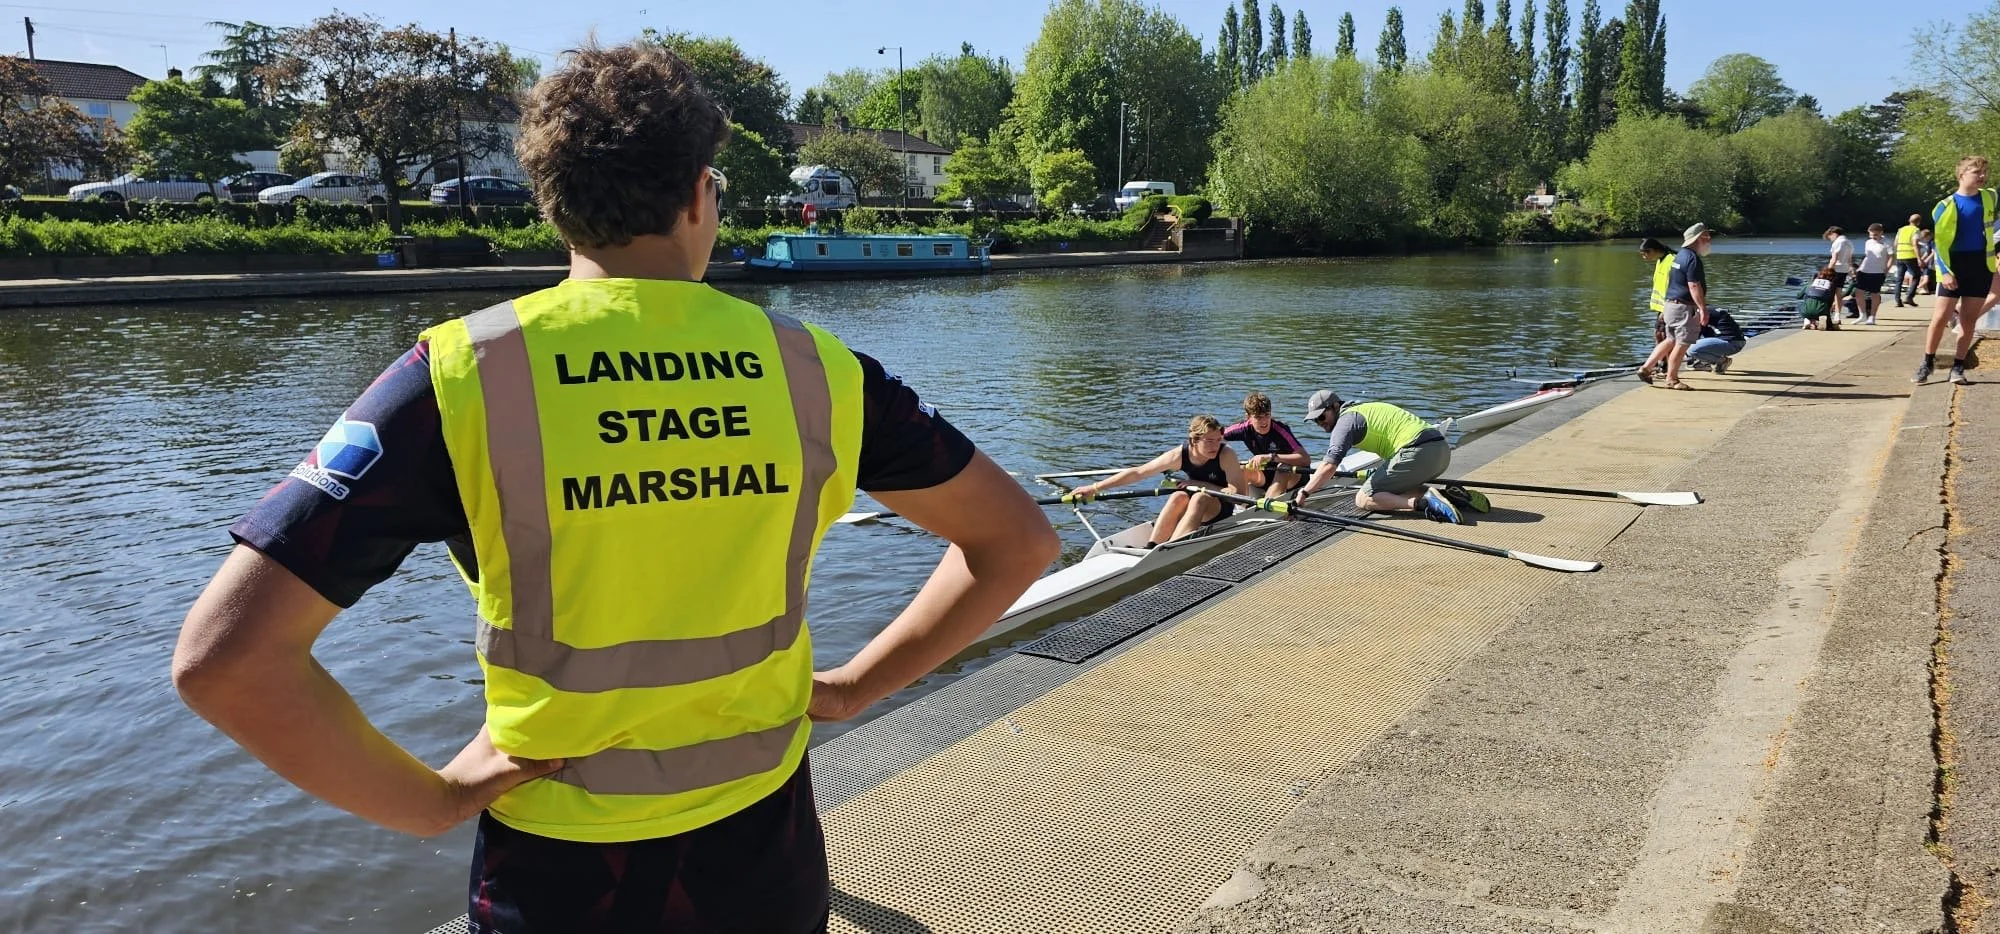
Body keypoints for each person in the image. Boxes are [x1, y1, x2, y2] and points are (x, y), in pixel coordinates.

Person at [170, 41, 1060, 934]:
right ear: (700, 194)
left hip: (560, 877)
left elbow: (227, 661)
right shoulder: (819, 374)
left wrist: (428, 801)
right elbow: (1015, 543)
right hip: (762, 854)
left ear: (554, 207)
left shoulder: (457, 378)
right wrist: (856, 687)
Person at [1068, 415, 1248, 546]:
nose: (1215, 446)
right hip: (1194, 503)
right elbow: (1138, 473)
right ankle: (1153, 546)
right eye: (1209, 441)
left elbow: (1238, 495)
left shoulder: (1226, 454)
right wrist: (1095, 487)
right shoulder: (1179, 455)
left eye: (1218, 440)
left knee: (1199, 497)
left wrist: (1203, 486)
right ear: (1193, 440)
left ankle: (1173, 547)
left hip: (1221, 508)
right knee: (1178, 496)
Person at [1291, 390, 1463, 524]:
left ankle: (1423, 503)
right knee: (1390, 490)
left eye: (1322, 416)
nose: (1321, 423)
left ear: (1336, 406)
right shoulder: (1364, 408)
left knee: (1364, 498)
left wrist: (1304, 492)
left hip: (1418, 452)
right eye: (1315, 421)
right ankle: (1446, 496)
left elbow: (1329, 467)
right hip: (1441, 450)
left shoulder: (1344, 423)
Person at [1918, 155, 1996, 384]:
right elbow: (1939, 245)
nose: (1982, 176)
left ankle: (1958, 367)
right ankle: (1927, 362)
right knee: (1941, 317)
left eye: (1984, 172)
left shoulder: (1990, 196)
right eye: (1976, 172)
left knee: (1969, 319)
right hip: (1954, 265)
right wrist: (1945, 272)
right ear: (1962, 175)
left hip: (1980, 265)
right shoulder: (1945, 206)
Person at [1639, 223, 1712, 390]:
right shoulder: (1691, 258)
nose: (1709, 240)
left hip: (1670, 306)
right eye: (1707, 237)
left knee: (1670, 339)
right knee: (1682, 342)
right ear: (1698, 238)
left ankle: (1646, 368)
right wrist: (1702, 308)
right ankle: (1672, 379)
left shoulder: (1679, 257)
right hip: (1684, 307)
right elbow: (1694, 285)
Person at [1223, 391, 1309, 499]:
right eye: (1258, 417)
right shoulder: (1243, 429)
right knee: (1242, 469)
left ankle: (1268, 505)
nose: (1264, 421)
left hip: (1293, 477)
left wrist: (1270, 457)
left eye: (1267, 415)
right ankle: (1242, 506)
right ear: (1248, 417)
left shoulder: (1281, 430)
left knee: (1282, 468)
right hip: (1267, 476)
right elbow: (1216, 436)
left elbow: (1305, 459)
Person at [1684, 306, 1746, 372]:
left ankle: (1722, 361)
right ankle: (1706, 362)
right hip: (1734, 342)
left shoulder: (1701, 312)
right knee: (1692, 347)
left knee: (1692, 350)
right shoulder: (1708, 309)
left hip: (1731, 343)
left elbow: (1693, 337)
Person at [1854, 223, 1892, 324]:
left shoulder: (1887, 243)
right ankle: (1862, 314)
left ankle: (1872, 317)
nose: (1872, 237)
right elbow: (1867, 256)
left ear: (1881, 232)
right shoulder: (1868, 242)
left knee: (1874, 294)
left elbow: (1891, 257)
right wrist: (1859, 268)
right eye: (1871, 234)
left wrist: (1887, 269)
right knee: (1858, 292)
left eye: (1875, 234)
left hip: (1878, 271)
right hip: (1864, 270)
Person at [1796, 265, 1842, 330]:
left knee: (1799, 304)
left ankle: (1807, 320)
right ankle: (1817, 320)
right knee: (1823, 307)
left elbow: (1798, 296)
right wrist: (1829, 323)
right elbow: (1829, 304)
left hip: (1806, 311)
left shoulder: (1811, 284)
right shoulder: (1831, 285)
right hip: (1822, 311)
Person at [1894, 214, 1925, 307]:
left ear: (1909, 220)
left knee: (1899, 279)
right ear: (1919, 222)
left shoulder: (1901, 229)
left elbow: (1895, 243)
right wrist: (1919, 258)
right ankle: (1909, 297)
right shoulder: (1916, 230)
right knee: (1916, 276)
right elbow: (1915, 244)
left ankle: (1897, 300)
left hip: (1900, 255)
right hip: (1910, 256)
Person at [1825, 226, 1855, 314]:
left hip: (1836, 269)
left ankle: (1828, 312)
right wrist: (1851, 271)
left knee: (1830, 292)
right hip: (1844, 270)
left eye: (1829, 237)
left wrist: (1827, 270)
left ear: (1834, 234)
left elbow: (1834, 259)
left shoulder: (1838, 242)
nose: (1830, 240)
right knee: (1839, 292)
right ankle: (1837, 314)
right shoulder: (1849, 243)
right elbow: (1850, 260)